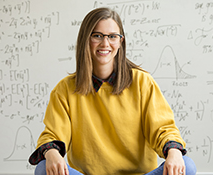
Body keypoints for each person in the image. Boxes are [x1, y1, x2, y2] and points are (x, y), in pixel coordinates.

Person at [28, 7, 197, 175]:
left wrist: (174, 152)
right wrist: (52, 153)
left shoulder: (142, 82)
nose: (105, 43)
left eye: (112, 36)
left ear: (120, 41)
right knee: (43, 169)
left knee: (187, 166)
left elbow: (163, 128)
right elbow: (52, 134)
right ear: (86, 39)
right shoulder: (65, 89)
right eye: (97, 36)